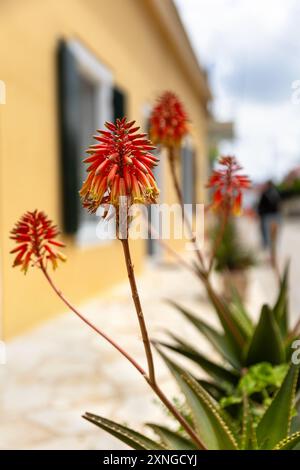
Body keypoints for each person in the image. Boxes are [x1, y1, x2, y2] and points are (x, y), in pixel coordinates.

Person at [257, 180, 281, 250]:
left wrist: (259, 214)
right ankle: (273, 249)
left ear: (268, 185)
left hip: (267, 216)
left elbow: (260, 206)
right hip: (276, 215)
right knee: (274, 234)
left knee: (267, 233)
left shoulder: (264, 193)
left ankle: (268, 248)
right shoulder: (277, 192)